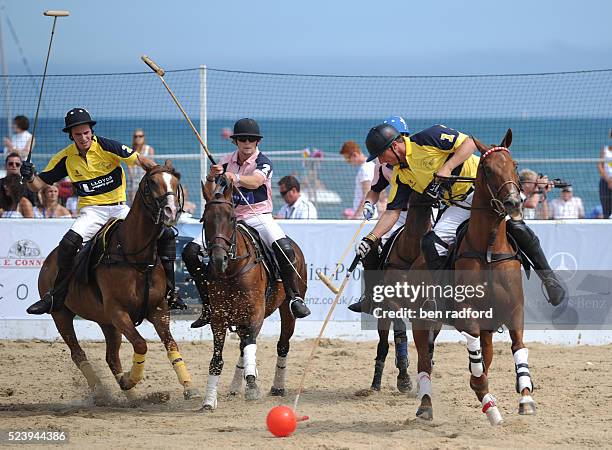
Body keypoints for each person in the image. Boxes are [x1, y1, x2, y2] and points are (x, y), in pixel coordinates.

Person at [357, 122, 567, 306]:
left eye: (381, 155)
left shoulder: (429, 136)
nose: (382, 162)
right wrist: (371, 238)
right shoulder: (401, 175)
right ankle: (443, 297)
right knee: (431, 243)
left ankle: (549, 280)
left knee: (516, 226)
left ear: (394, 146)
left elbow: (469, 143)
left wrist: (447, 167)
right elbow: (392, 212)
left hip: (484, 190)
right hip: (456, 204)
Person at [20, 107, 186, 314]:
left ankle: (171, 292)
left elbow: (140, 160)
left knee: (166, 234)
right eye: (78, 134)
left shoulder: (108, 146)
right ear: (71, 135)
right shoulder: (65, 159)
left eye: (86, 133)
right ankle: (56, 297)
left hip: (119, 209)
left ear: (91, 131)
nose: (83, 138)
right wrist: (28, 176)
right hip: (92, 211)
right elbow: (36, 186)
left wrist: (159, 172)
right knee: (68, 244)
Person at [183, 118, 311, 328]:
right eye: (242, 139)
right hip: (229, 219)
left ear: (257, 141)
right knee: (190, 252)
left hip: (258, 215)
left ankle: (294, 297)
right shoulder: (225, 161)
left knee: (285, 248)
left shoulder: (264, 162)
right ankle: (208, 304)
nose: (247, 142)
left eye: (251, 139)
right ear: (235, 142)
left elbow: (257, 181)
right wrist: (210, 176)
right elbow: (211, 192)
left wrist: (236, 177)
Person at [340, 140, 375, 219]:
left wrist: (355, 216)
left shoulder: (365, 169)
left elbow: (366, 195)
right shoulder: (371, 165)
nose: (348, 162)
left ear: (355, 155)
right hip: (368, 215)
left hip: (364, 217)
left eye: (348, 159)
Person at [127, 128, 155, 204]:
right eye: (136, 136)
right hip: (134, 179)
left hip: (145, 178)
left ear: (144, 137)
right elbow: (129, 166)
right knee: (133, 202)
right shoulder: (130, 150)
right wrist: (132, 178)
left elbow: (151, 164)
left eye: (140, 136)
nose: (138, 138)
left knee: (147, 201)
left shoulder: (149, 149)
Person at [597, 129, 612, 218]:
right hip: (605, 182)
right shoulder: (605, 149)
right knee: (606, 209)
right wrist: (608, 180)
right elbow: (600, 166)